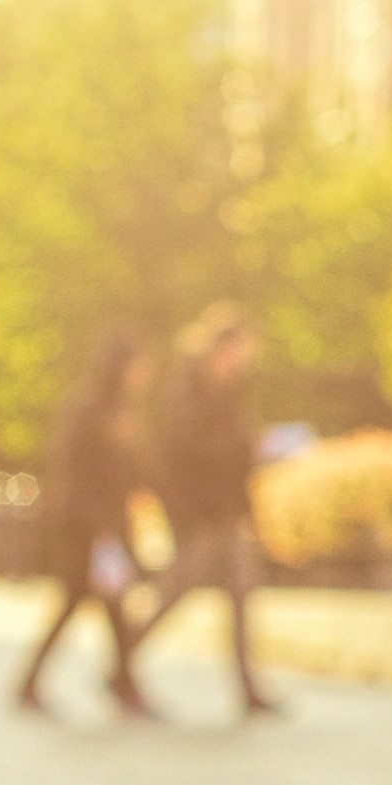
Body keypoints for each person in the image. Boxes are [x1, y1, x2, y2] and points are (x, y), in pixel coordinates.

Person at [128, 303, 278, 717]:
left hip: (225, 514)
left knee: (241, 597)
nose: (243, 362)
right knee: (174, 594)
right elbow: (181, 454)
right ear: (219, 348)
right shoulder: (189, 390)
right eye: (238, 352)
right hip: (198, 516)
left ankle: (248, 690)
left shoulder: (228, 394)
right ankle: (121, 663)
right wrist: (243, 447)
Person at [13, 330, 153, 718]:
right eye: (138, 365)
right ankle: (121, 687)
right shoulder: (90, 411)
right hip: (87, 530)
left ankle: (122, 685)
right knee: (84, 603)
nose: (144, 374)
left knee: (110, 607)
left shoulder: (121, 412)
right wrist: (98, 527)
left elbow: (128, 471)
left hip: (107, 528)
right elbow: (75, 475)